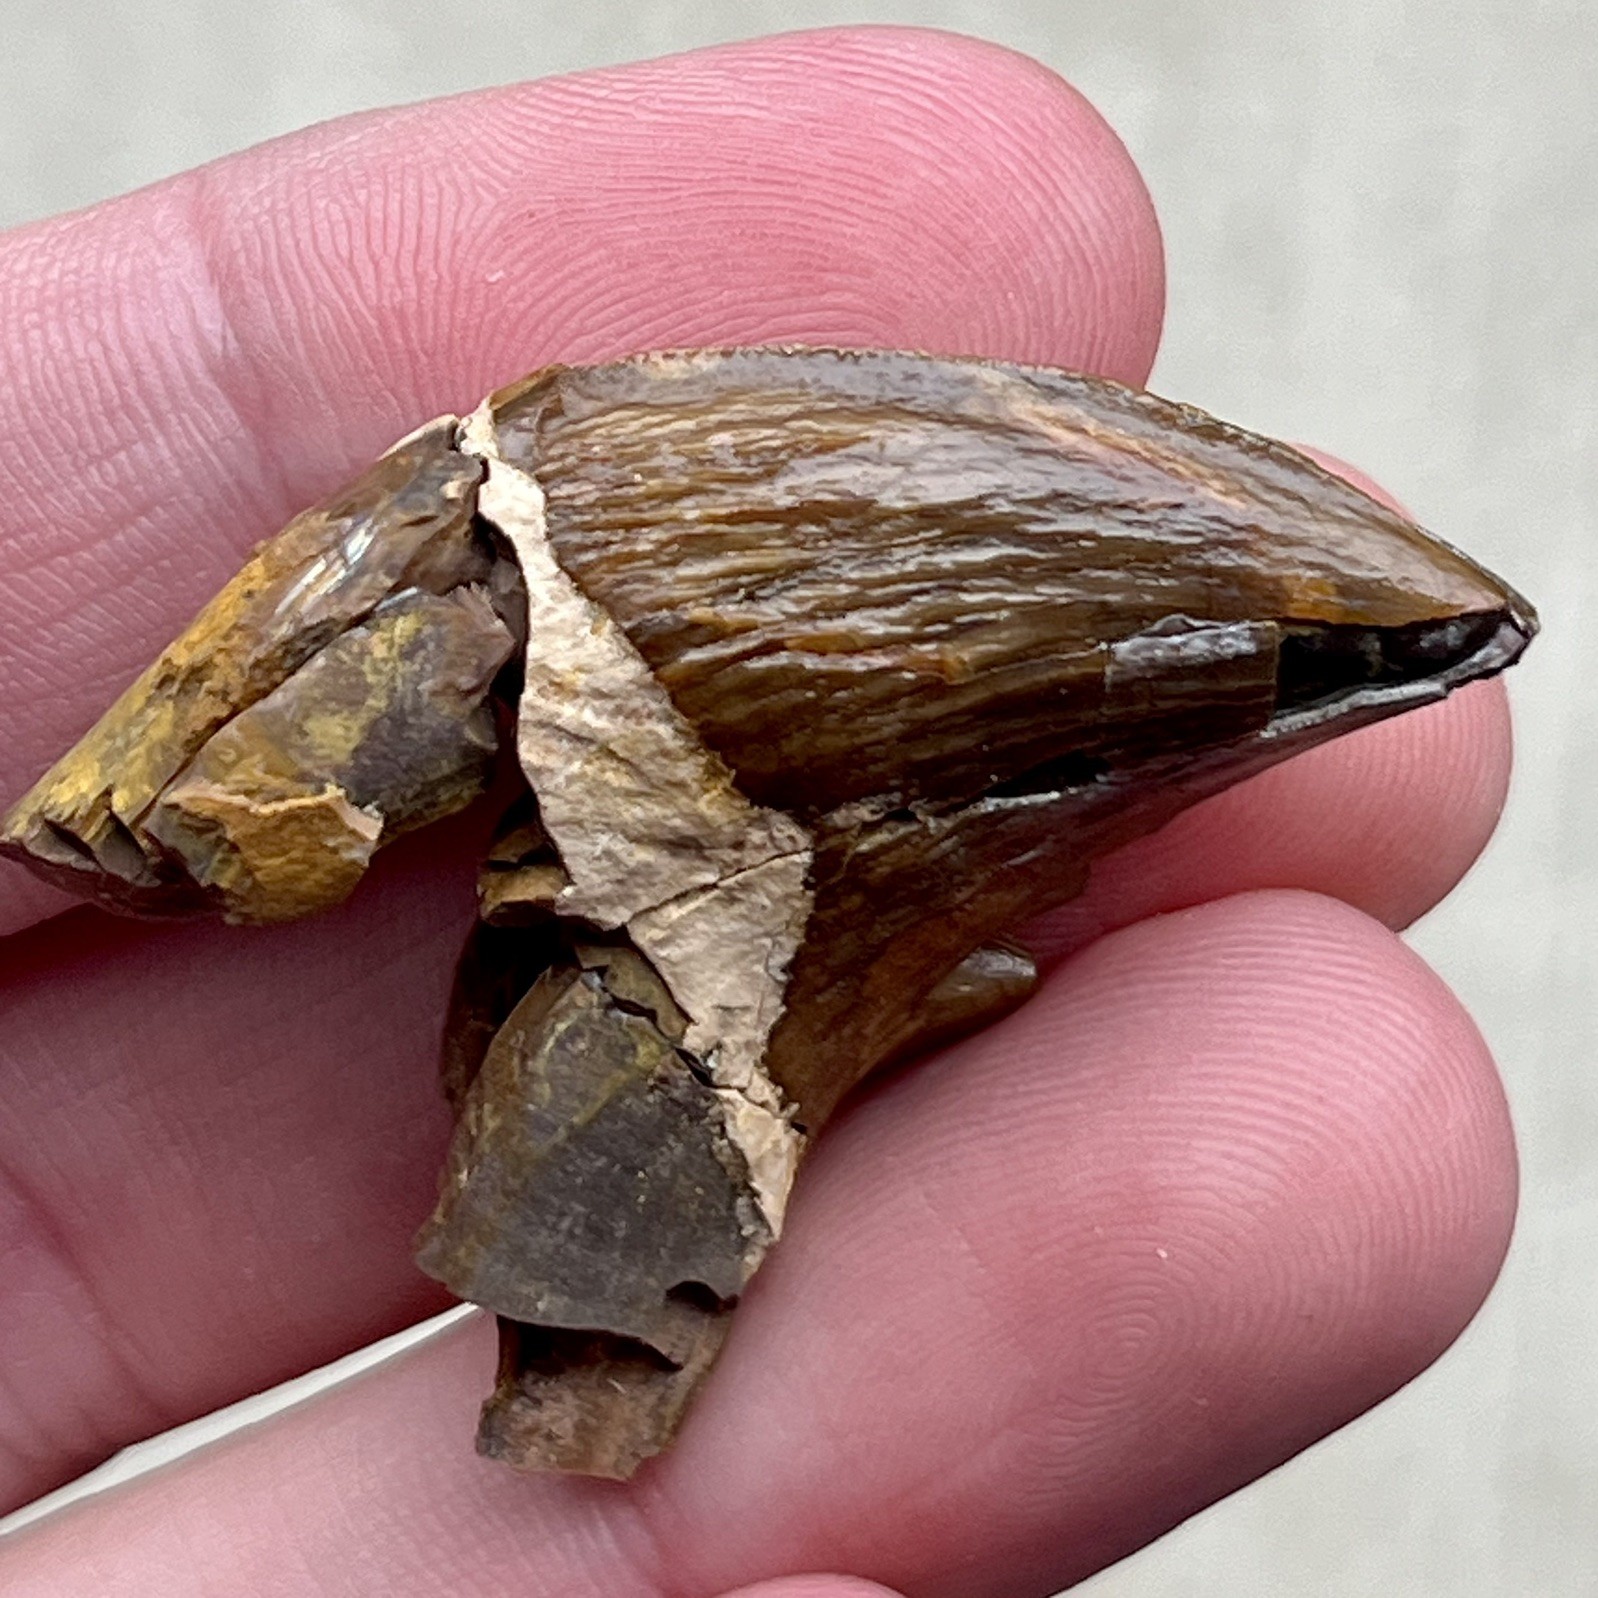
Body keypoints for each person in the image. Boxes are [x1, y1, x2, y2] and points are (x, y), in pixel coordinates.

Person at [0, 27, 1518, 1596]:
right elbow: (214, 815)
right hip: (653, 749)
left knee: (595, 1184)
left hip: (725, 803)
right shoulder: (488, 582)